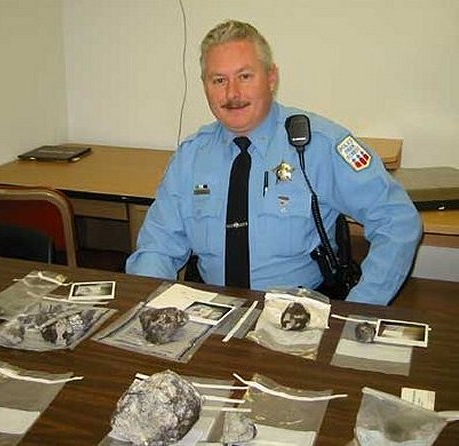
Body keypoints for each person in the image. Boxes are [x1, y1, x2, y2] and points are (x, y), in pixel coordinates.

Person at [126, 19, 422, 305]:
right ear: (205, 85)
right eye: (219, 80)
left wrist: (360, 309)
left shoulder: (318, 144)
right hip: (212, 312)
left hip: (299, 318)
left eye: (245, 76)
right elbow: (158, 248)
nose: (232, 94)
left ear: (271, 77)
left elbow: (398, 220)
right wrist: (153, 306)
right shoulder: (191, 156)